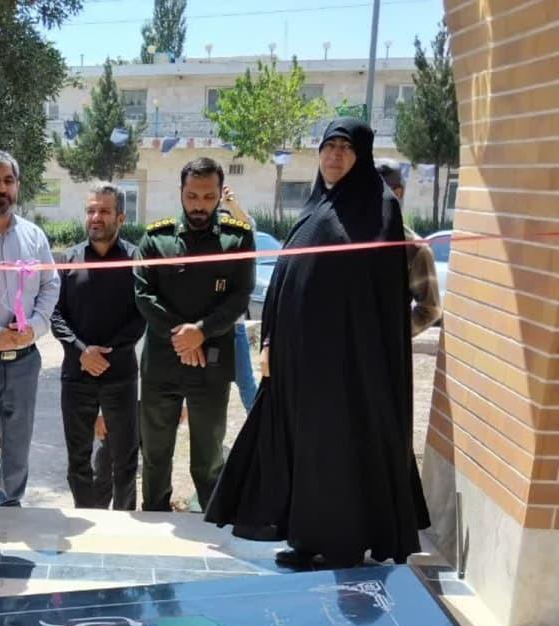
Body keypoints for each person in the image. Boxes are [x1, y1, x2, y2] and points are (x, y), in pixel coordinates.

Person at [205, 118, 429, 569]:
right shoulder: (315, 208)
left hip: (348, 370)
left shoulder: (379, 209)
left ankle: (344, 546)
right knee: (304, 452)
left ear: (362, 155)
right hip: (299, 366)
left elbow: (376, 298)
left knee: (340, 454)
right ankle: (305, 539)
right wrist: (270, 342)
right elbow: (285, 283)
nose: (335, 154)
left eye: (346, 147)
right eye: (329, 146)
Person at [134, 157, 255, 512]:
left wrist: (201, 332)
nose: (199, 205)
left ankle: (210, 520)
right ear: (181, 192)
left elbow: (240, 297)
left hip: (211, 363)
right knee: (155, 452)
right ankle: (155, 515)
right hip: (162, 362)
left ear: (220, 194)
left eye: (208, 196)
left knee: (209, 455)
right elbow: (143, 294)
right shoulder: (157, 238)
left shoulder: (237, 238)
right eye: (192, 196)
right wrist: (182, 337)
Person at [0, 150, 60, 508]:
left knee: (18, 443)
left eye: (8, 181)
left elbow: (51, 285)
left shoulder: (34, 236)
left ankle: (12, 508)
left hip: (24, 360)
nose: (1, 189)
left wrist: (34, 327)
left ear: (18, 186)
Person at [51, 183, 145, 510]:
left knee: (125, 460)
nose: (96, 217)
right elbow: (56, 314)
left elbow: (141, 315)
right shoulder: (69, 259)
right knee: (78, 460)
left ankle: (122, 522)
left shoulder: (135, 259)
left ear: (120, 217)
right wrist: (82, 351)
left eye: (104, 211)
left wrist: (106, 354)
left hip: (120, 376)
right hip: (76, 376)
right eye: (91, 210)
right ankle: (88, 518)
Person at [376, 158, 443, 335]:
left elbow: (430, 309)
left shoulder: (415, 249)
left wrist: (391, 336)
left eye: (376, 192)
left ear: (398, 193)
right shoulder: (349, 239)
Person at [221, 184, 260, 411]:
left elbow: (249, 228)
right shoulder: (206, 247)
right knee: (212, 389)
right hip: (207, 329)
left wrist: (232, 204)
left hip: (234, 329)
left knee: (245, 383)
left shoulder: (240, 247)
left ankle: (258, 429)